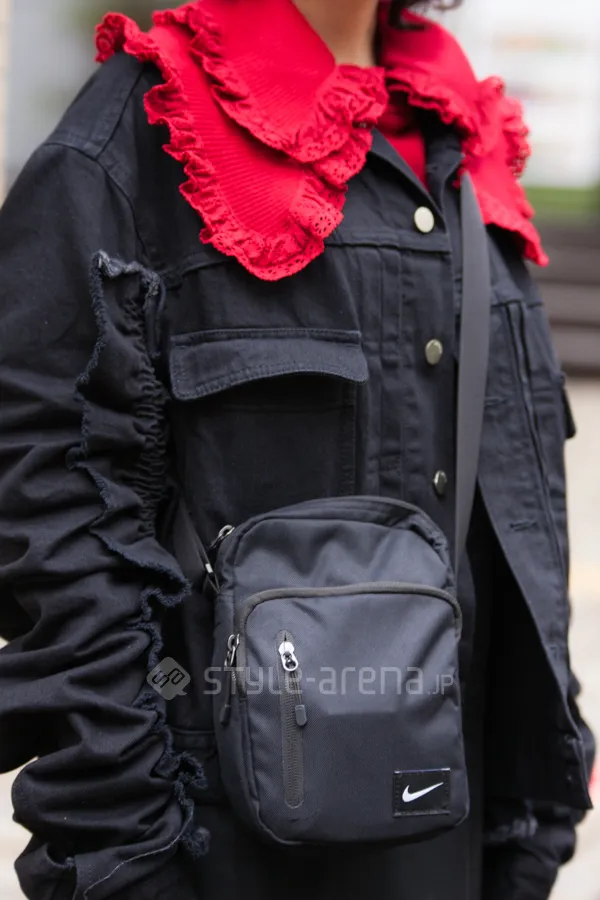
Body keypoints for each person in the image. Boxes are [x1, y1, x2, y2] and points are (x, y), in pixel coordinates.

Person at [0, 1, 594, 898]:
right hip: (221, 851)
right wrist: (127, 859)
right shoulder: (137, 142)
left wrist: (535, 821)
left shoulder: (463, 139)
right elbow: (54, 535)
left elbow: (520, 517)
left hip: (461, 838)